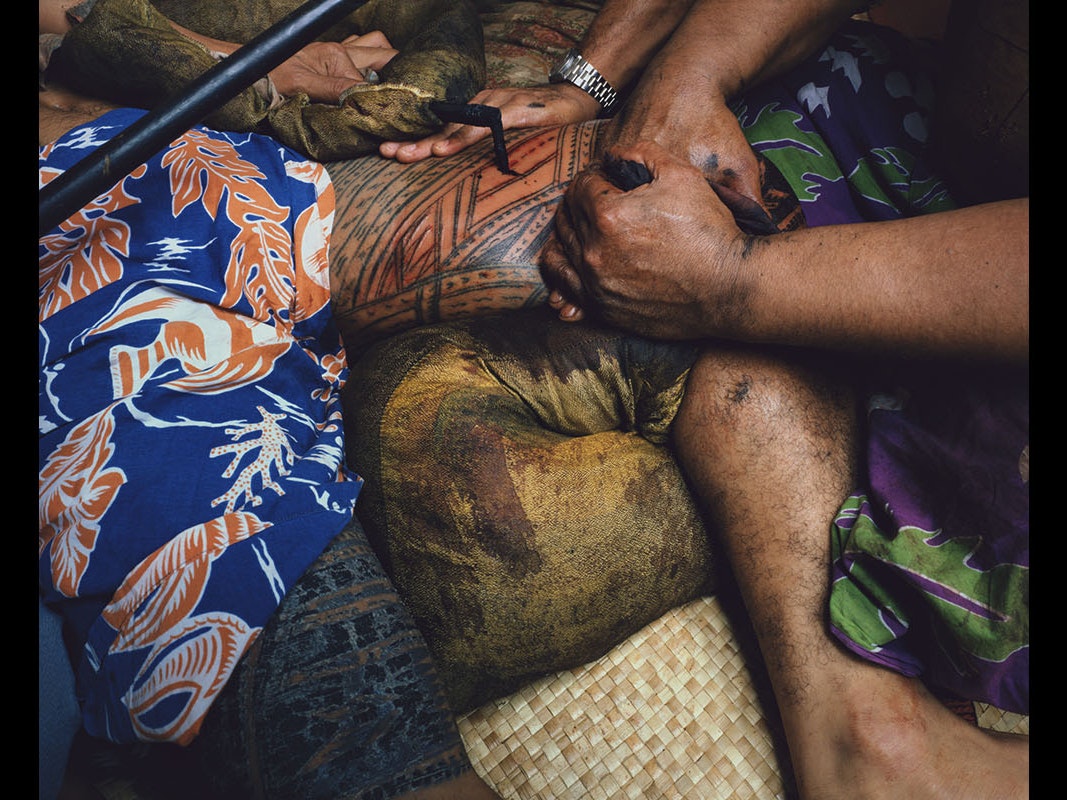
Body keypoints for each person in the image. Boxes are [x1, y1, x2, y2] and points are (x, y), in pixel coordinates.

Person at [384, 0, 1030, 797]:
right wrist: (671, 80)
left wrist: (732, 284)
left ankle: (874, 744)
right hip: (931, 141)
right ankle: (863, 724)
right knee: (679, 208)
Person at [38, 5, 501, 799]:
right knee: (169, 444)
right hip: (94, 235)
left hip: (232, 171)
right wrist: (278, 66)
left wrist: (291, 68)